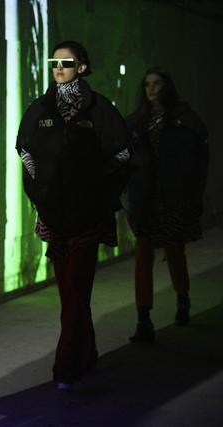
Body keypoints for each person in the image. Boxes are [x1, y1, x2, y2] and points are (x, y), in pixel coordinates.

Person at [16, 40, 131, 389]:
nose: (58, 68)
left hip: (87, 216)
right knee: (71, 291)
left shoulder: (99, 109)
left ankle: (65, 364)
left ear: (81, 67)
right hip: (54, 214)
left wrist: (98, 188)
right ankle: (87, 352)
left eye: (66, 63)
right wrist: (41, 193)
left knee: (77, 288)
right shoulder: (41, 108)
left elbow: (123, 152)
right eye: (54, 62)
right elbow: (25, 150)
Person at [125, 67, 208, 343]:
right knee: (144, 255)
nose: (151, 89)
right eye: (147, 84)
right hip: (146, 199)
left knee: (174, 251)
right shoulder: (136, 122)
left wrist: (193, 196)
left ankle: (182, 299)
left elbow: (198, 160)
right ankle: (143, 318)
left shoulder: (183, 119)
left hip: (173, 197)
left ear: (166, 86)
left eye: (157, 83)